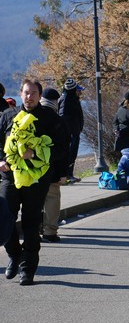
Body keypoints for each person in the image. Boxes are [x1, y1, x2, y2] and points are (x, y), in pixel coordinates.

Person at [0, 79, 67, 285]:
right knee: (4, 218)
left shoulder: (51, 118)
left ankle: (28, 268)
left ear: (40, 96)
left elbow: (61, 149)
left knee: (31, 223)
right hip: (9, 176)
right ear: (21, 94)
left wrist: (36, 153)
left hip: (37, 179)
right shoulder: (8, 115)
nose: (30, 97)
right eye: (27, 93)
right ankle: (14, 255)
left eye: (34, 93)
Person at [40, 88, 69, 243]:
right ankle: (49, 231)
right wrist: (64, 172)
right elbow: (64, 148)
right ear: (56, 101)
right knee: (52, 197)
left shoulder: (31, 116)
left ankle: (34, 227)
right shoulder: (57, 120)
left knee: (35, 198)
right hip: (53, 166)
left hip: (32, 168)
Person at [58, 78, 84, 183]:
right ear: (73, 90)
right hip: (71, 132)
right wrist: (70, 130)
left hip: (74, 130)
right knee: (70, 153)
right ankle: (67, 175)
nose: (80, 92)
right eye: (78, 90)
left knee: (72, 153)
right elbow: (63, 116)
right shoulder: (67, 99)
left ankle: (69, 174)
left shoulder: (72, 99)